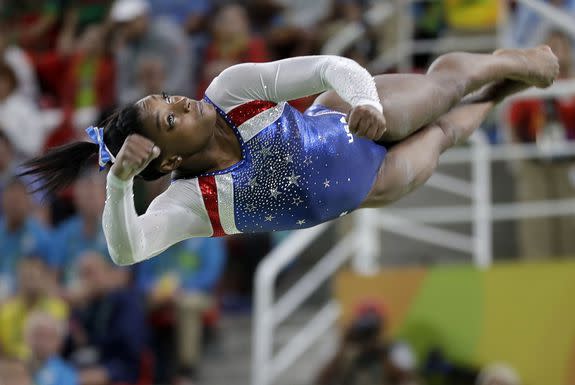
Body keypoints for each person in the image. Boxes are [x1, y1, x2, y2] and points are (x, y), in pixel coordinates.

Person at [21, 47, 559, 266]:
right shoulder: (191, 205)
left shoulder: (229, 90)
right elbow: (126, 251)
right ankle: (499, 95)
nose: (181, 102)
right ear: (163, 163)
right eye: (170, 119)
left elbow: (330, 66)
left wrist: (366, 100)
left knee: (440, 93)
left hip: (349, 117)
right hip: (372, 186)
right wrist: (118, 185)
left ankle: (504, 64)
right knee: (444, 133)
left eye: (168, 100)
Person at [507, 31, 575, 259]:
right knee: (537, 220)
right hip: (535, 162)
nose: (558, 53)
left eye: (561, 47)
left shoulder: (573, 85)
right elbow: (515, 121)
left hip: (568, 163)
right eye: (552, 48)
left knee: (569, 219)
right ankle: (537, 266)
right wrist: (521, 157)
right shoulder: (529, 85)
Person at [137, 237, 227, 383]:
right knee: (134, 303)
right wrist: (153, 288)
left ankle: (187, 370)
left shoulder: (208, 238)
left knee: (186, 304)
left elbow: (212, 274)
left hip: (198, 295)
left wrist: (182, 287)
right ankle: (133, 361)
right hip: (159, 296)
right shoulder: (154, 237)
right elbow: (142, 278)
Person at [65, 252, 147, 385]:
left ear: (107, 273)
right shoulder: (83, 306)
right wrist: (76, 312)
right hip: (85, 363)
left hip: (118, 366)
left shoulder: (124, 300)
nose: (86, 280)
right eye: (82, 274)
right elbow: (72, 344)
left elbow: (129, 345)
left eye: (91, 272)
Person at [110, 0, 192, 105]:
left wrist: (159, 93)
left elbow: (183, 77)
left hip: (177, 104)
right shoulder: (125, 50)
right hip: (142, 110)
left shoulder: (169, 36)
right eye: (120, 25)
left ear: (144, 17)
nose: (124, 29)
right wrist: (144, 92)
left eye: (128, 24)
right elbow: (123, 94)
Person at [0, 257, 68, 360]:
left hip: (45, 364)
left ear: (44, 279)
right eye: (25, 277)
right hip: (12, 366)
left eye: (33, 277)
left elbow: (56, 346)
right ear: (18, 279)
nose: (29, 282)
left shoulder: (58, 308)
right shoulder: (5, 311)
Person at [25, 311, 78, 385]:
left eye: (49, 337)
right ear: (27, 337)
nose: (42, 342)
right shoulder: (16, 367)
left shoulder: (66, 372)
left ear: (59, 342)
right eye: (38, 335)